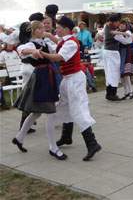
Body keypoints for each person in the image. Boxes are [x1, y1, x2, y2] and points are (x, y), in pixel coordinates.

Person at [40, 16, 101, 161]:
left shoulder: (72, 43)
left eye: (59, 27)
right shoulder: (66, 40)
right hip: (67, 79)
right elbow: (59, 43)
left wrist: (41, 53)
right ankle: (67, 137)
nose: (57, 29)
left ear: (66, 29)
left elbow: (58, 57)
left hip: (75, 79)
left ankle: (92, 143)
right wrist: (48, 35)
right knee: (65, 107)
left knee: (78, 109)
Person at [12, 21, 66, 160]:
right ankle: (53, 147)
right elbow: (21, 50)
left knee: (36, 113)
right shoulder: (31, 44)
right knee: (50, 113)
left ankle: (19, 137)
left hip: (48, 77)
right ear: (34, 31)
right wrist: (33, 51)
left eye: (44, 28)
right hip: (41, 79)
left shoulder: (45, 43)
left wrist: (49, 35)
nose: (44, 29)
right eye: (41, 28)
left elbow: (59, 46)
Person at [103, 14, 122, 101]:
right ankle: (111, 94)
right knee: (112, 73)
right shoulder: (108, 27)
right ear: (114, 21)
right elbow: (112, 33)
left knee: (112, 73)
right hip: (110, 52)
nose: (119, 23)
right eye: (118, 22)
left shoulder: (111, 27)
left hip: (111, 52)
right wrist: (123, 33)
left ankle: (111, 93)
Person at [116, 19, 133, 100]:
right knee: (122, 74)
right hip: (120, 54)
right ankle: (126, 91)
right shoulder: (118, 32)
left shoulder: (128, 32)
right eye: (120, 24)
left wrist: (118, 36)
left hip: (127, 54)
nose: (122, 26)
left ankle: (131, 91)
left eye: (123, 24)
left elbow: (126, 41)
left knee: (126, 74)